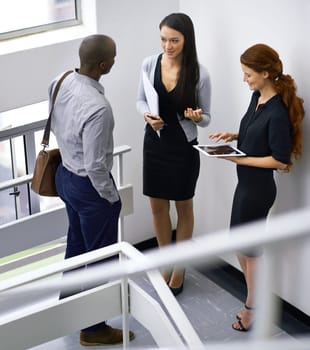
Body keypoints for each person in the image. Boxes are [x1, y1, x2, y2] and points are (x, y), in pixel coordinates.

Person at [209, 43, 304, 331]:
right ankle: (256, 299)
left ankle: (252, 308)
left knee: (250, 250)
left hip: (258, 192)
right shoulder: (257, 98)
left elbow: (280, 160)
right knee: (241, 244)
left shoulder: (277, 112)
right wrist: (234, 135)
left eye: (248, 74)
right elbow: (255, 129)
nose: (244, 79)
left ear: (265, 73)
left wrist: (240, 158)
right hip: (245, 186)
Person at [50, 34, 134, 346]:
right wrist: (112, 198)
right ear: (102, 65)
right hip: (88, 187)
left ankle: (68, 307)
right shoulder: (99, 108)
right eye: (113, 56)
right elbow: (97, 166)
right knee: (102, 258)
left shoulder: (60, 80)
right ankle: (94, 328)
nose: (115, 59)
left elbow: (58, 122)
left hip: (64, 177)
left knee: (76, 245)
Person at [136, 13, 211, 296]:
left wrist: (198, 116)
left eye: (174, 41)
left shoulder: (199, 74)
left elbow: (207, 118)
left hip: (183, 147)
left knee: (183, 207)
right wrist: (146, 115)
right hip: (154, 143)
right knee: (157, 207)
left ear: (186, 40)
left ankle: (179, 267)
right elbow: (140, 98)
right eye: (164, 39)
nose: (167, 45)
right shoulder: (148, 63)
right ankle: (165, 262)